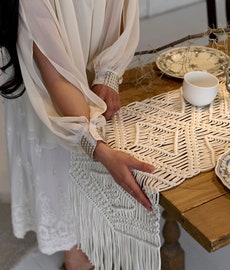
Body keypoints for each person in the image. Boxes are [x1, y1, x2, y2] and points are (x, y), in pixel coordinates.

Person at [0, 1, 155, 269]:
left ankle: (88, 248)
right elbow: (57, 80)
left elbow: (120, 11)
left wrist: (108, 73)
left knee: (90, 177)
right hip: (50, 87)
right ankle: (77, 257)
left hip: (86, 65)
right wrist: (98, 146)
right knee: (62, 164)